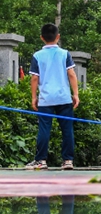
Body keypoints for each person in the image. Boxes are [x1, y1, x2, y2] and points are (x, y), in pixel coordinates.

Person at [25, 23, 79, 171]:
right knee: (67, 129)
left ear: (42, 38)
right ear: (58, 37)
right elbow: (72, 74)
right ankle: (68, 160)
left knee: (44, 129)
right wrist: (75, 94)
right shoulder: (65, 54)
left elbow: (34, 78)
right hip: (64, 98)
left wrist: (33, 97)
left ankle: (41, 160)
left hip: (46, 99)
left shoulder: (37, 56)